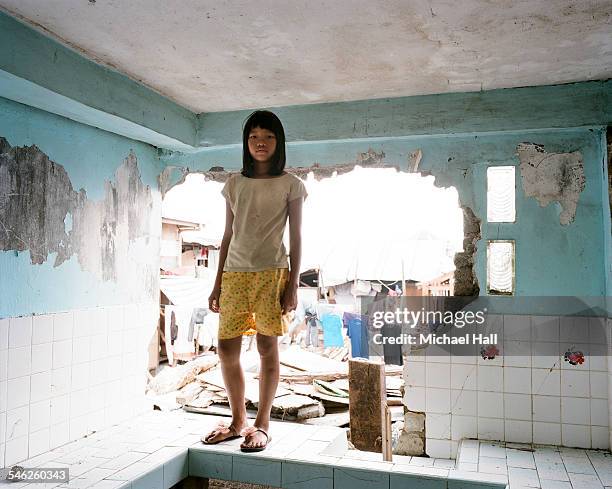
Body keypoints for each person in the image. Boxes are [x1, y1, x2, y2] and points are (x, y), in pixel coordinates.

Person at [201, 110, 308, 452]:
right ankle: (237, 422)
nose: (261, 143)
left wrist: (292, 285)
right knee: (227, 350)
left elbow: (297, 237)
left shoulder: (292, 184)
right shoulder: (233, 183)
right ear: (246, 143)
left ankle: (262, 425)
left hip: (271, 273)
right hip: (234, 275)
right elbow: (227, 234)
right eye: (254, 137)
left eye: (268, 137)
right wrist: (217, 283)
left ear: (279, 143)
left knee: (266, 349)